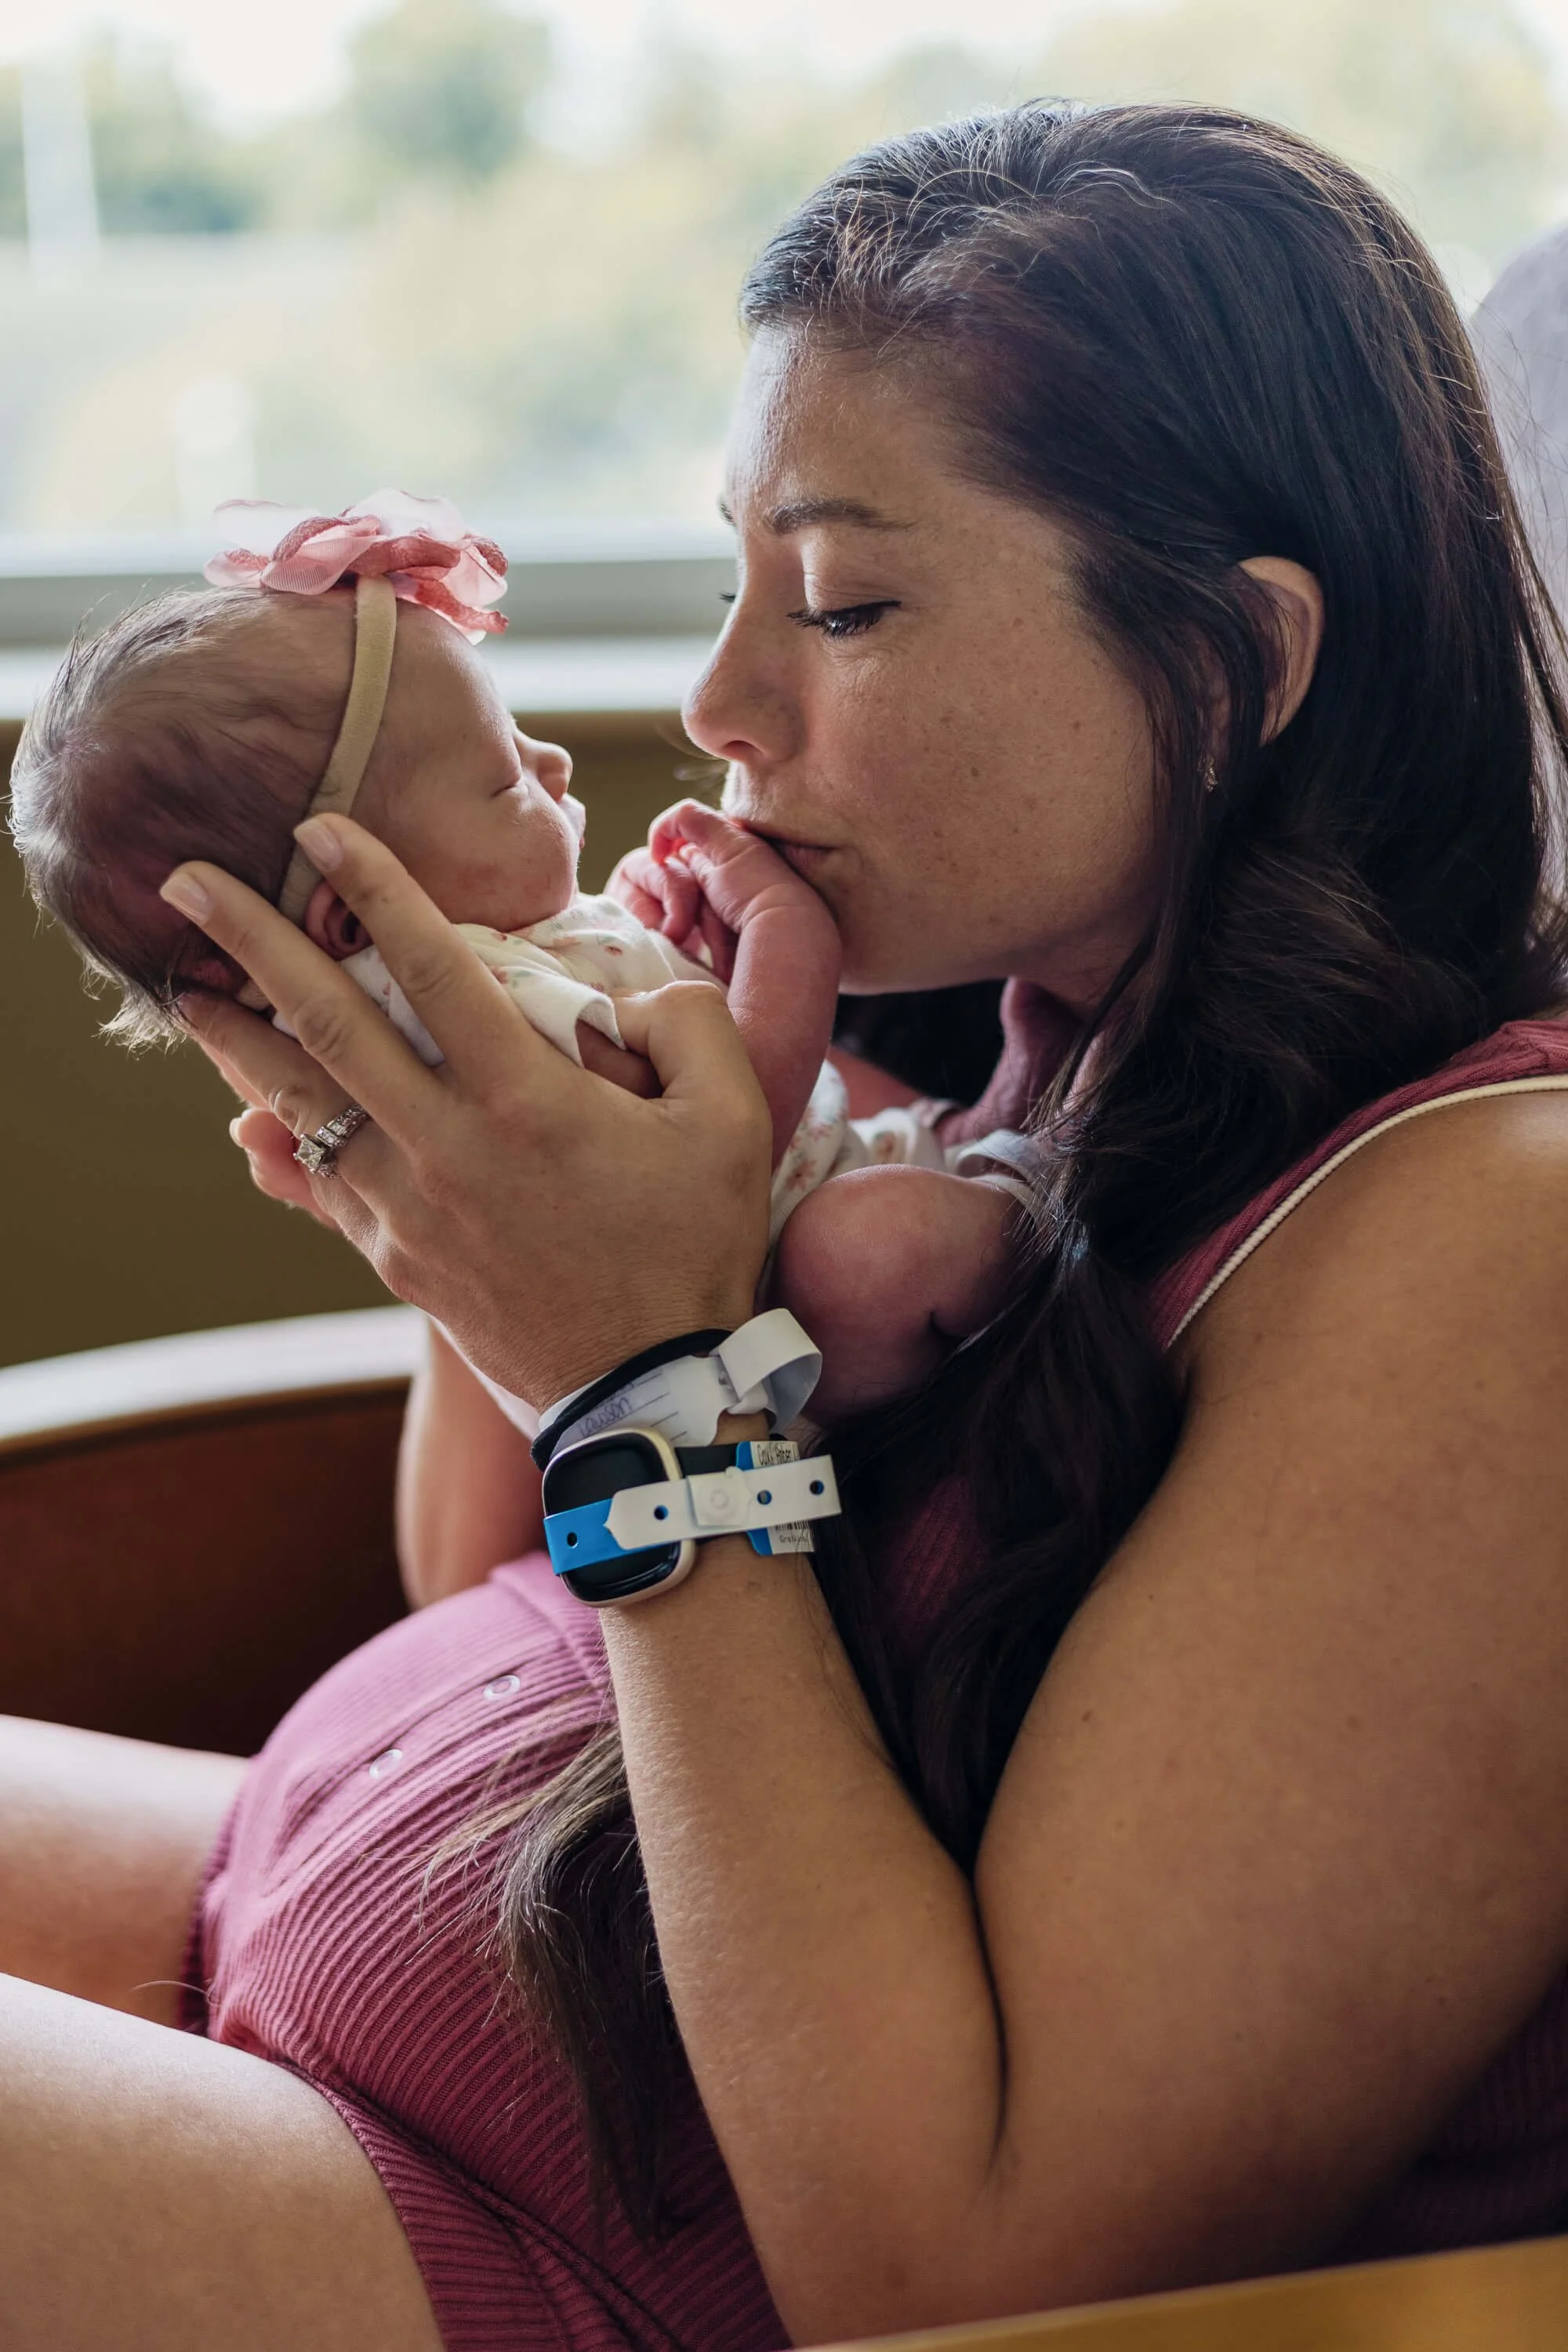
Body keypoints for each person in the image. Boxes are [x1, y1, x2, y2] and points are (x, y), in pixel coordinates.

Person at [5, 97, 1568, 2352]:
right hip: (389, 1932)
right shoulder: (1070, 1048)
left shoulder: (1490, 1263)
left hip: (541, 2242)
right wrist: (521, 1204)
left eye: (840, 601)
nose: (717, 707)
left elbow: (967, 2272)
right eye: (732, 580)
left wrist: (654, 1379)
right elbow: (512, 1593)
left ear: (1237, 661)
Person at [8, 495, 1025, 1427]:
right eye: (503, 781)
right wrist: (780, 932)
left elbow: (645, 1039)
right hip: (781, 1332)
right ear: (356, 919)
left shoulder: (470, 973)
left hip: (798, 1236)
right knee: (884, 1247)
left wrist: (655, 941)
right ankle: (1076, 1292)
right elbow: (726, 1137)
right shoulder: (468, 1020)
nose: (555, 765)